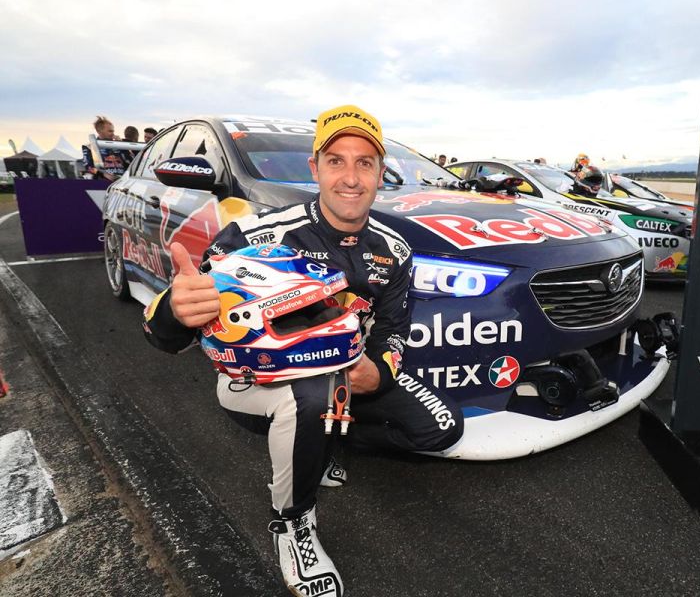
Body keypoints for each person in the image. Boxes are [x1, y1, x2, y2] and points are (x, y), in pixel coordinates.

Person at [141, 104, 462, 596]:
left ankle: (330, 441)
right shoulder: (258, 235)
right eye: (336, 161)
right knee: (313, 392)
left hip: (353, 375)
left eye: (364, 163)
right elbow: (173, 333)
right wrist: (175, 312)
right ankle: (293, 523)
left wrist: (382, 372)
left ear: (381, 172)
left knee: (442, 429)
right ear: (316, 169)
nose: (350, 178)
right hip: (259, 383)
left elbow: (394, 332)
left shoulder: (395, 249)